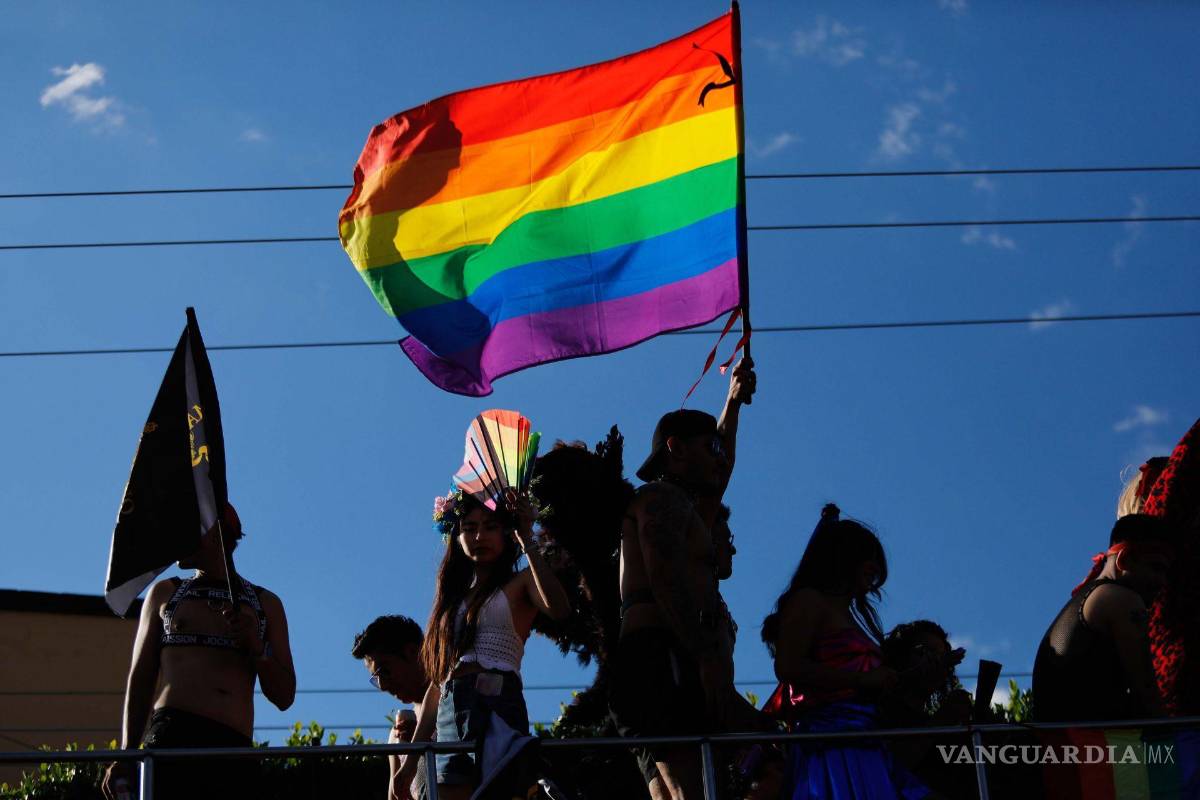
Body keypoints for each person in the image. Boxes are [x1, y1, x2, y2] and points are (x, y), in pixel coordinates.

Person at [609, 358, 756, 800]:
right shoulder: (659, 499)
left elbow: (722, 465)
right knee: (688, 793)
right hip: (658, 658)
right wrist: (704, 653)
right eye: (709, 448)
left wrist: (733, 401)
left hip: (671, 658)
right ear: (675, 449)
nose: (720, 459)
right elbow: (664, 577)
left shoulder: (691, 510)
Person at [102, 504, 296, 800]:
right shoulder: (164, 594)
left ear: (218, 535)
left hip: (232, 751)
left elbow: (284, 696)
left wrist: (257, 649)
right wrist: (127, 753)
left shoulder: (265, 604)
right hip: (170, 738)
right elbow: (140, 679)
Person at [395, 489, 571, 800]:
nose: (479, 536)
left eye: (490, 526)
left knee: (499, 791)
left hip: (499, 700)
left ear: (505, 531)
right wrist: (408, 763)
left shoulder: (521, 581)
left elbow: (559, 609)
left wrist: (527, 539)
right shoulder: (451, 602)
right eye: (469, 527)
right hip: (452, 704)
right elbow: (436, 687)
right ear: (457, 535)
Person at [761, 503, 927, 800]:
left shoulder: (848, 613)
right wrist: (863, 681)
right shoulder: (809, 600)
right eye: (867, 557)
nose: (875, 568)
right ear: (844, 556)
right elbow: (788, 666)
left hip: (865, 741)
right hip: (831, 743)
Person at [1032, 513, 1178, 722]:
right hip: (1091, 747)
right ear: (1124, 559)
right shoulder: (1121, 600)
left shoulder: (1088, 597)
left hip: (1060, 746)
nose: (1161, 582)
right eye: (1155, 568)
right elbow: (1147, 695)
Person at [351, 615, 430, 800]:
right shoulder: (396, 736)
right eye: (377, 680)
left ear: (413, 652)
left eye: (385, 671)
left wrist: (422, 742)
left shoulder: (452, 701)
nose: (384, 686)